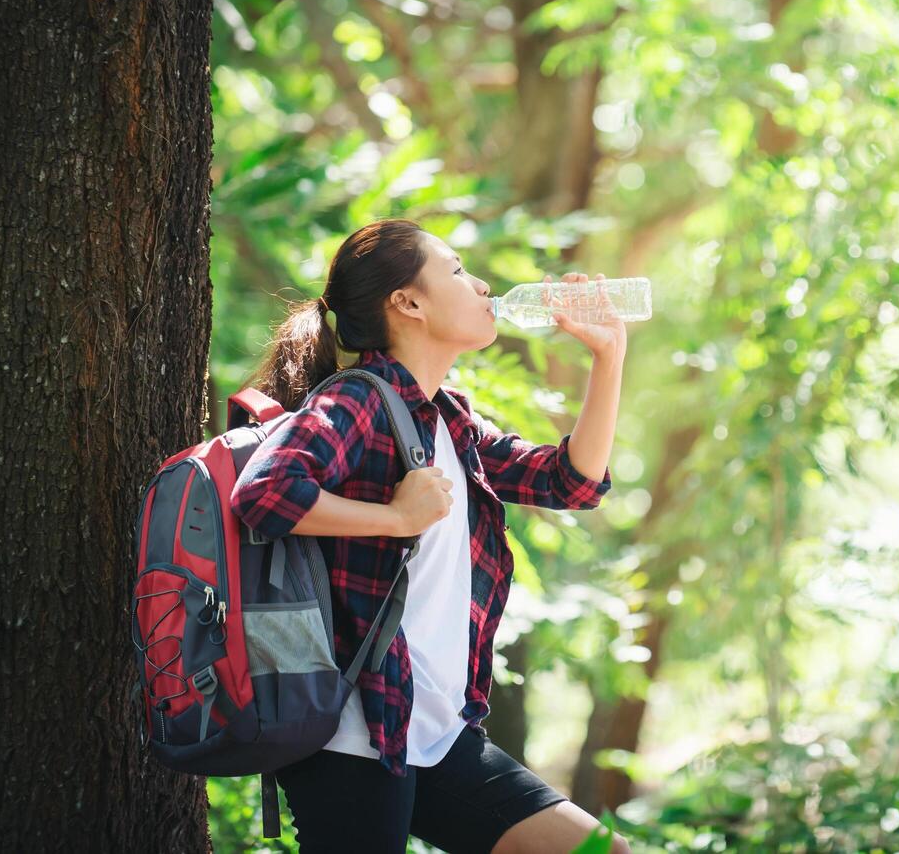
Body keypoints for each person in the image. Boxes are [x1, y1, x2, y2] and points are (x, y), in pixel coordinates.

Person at [229, 218, 631, 854]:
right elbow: (265, 493)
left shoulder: (450, 417)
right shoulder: (356, 401)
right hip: (356, 736)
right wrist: (395, 518)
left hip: (435, 730)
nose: (480, 284)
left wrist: (608, 359)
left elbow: (569, 484)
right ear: (407, 302)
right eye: (456, 270)